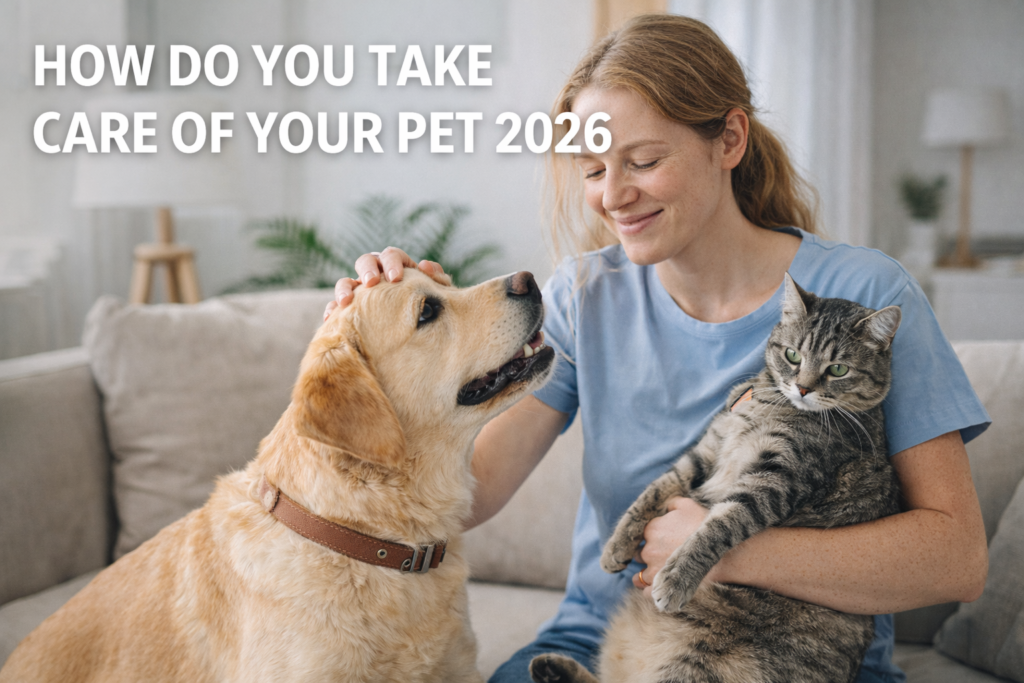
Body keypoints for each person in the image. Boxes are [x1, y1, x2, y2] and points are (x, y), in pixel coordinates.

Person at [327, 14, 989, 683]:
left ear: (729, 139)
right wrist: (378, 357)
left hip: (784, 657)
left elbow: (955, 557)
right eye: (592, 169)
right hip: (606, 644)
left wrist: (727, 551)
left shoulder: (859, 294)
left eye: (643, 162)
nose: (612, 197)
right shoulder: (585, 297)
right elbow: (469, 492)